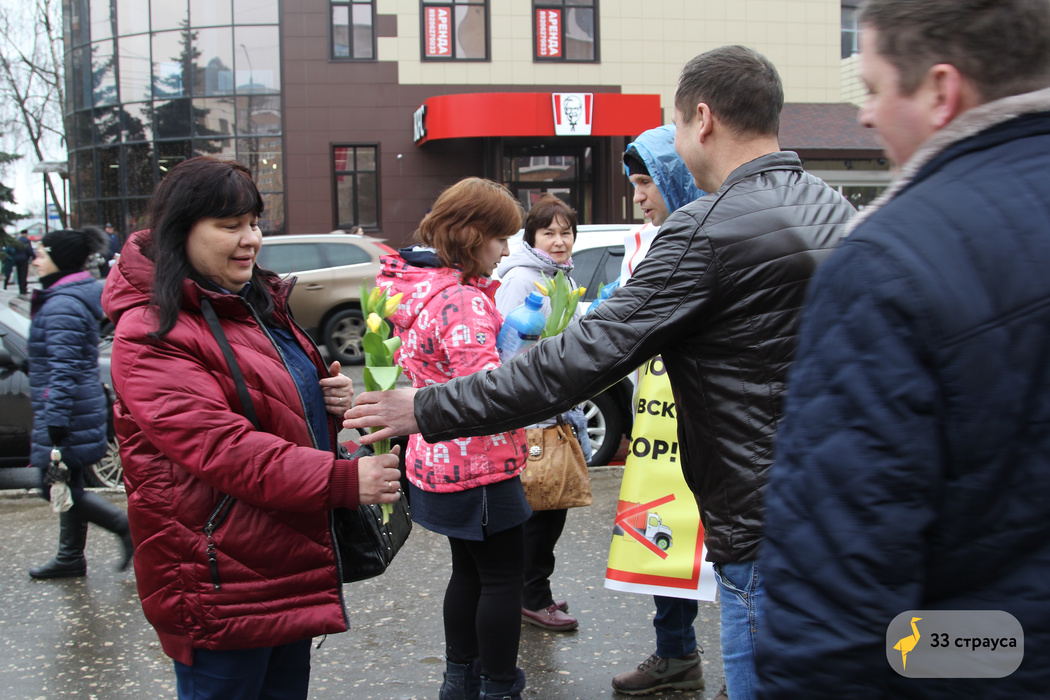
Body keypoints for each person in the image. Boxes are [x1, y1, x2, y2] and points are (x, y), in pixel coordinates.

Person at [346, 46, 855, 700]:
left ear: (702, 120)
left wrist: (424, 408)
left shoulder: (706, 229)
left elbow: (576, 362)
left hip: (761, 519)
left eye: (675, 125)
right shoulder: (833, 209)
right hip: (838, 506)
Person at [756, 1, 1050, 697]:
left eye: (874, 87)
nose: (864, 115)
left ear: (941, 91)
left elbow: (836, 620)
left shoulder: (890, 264)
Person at [101, 156, 402, 700]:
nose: (251, 239)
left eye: (254, 222)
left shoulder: (251, 301)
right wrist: (342, 480)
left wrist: (323, 399)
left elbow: (266, 403)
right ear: (180, 231)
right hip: (217, 571)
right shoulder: (150, 332)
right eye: (229, 225)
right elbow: (222, 447)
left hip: (286, 555)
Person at [377, 177, 530, 700]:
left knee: (468, 574)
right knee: (503, 578)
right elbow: (483, 392)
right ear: (472, 236)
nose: (505, 251)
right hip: (479, 462)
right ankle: (498, 686)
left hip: (438, 459)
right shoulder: (462, 301)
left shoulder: (426, 290)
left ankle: (459, 680)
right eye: (500, 238)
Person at [608, 125, 715, 697]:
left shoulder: (715, 236)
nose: (638, 196)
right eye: (633, 184)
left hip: (718, 430)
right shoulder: (645, 243)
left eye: (646, 182)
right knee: (662, 540)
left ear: (676, 176)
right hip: (659, 427)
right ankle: (676, 654)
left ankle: (754, 669)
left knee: (738, 561)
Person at [494, 194, 587, 633]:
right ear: (531, 237)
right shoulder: (522, 279)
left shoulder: (560, 277)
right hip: (531, 412)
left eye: (566, 232)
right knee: (542, 510)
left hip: (553, 406)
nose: (559, 241)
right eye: (548, 233)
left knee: (550, 508)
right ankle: (533, 597)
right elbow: (504, 349)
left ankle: (532, 589)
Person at [27, 227, 134, 580]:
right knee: (66, 482)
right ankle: (70, 557)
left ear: (59, 259)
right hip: (71, 406)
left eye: (41, 254)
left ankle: (123, 527)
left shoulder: (63, 304)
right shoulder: (64, 298)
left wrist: (55, 418)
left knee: (51, 484)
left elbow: (65, 368)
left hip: (67, 410)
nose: (35, 260)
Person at [12, 229, 34, 294]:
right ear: (26, 233)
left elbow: (14, 250)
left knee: (19, 274)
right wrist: (34, 257)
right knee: (23, 274)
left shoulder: (17, 240)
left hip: (17, 259)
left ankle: (21, 288)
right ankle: (23, 289)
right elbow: (29, 249)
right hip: (24, 259)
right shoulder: (26, 240)